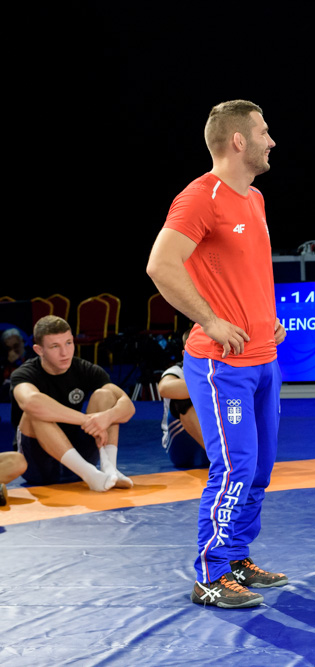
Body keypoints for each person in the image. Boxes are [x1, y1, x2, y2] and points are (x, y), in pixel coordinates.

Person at [147, 99, 288, 609]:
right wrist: (209, 320)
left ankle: (235, 558)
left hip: (263, 357)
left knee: (260, 469)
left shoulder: (254, 198)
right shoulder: (199, 197)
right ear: (238, 141)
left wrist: (265, 317)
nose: (272, 141)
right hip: (221, 363)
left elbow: (244, 272)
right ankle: (210, 574)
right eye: (264, 132)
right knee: (234, 467)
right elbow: (161, 265)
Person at [10, 316, 134, 491]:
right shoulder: (24, 374)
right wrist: (86, 420)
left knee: (105, 396)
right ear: (39, 350)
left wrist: (107, 417)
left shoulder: (85, 369)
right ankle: (90, 475)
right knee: (34, 411)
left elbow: (128, 406)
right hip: (38, 466)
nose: (65, 353)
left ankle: (110, 469)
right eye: (55, 346)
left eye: (68, 343)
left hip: (79, 457)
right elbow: (31, 402)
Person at [157, 331, 210, 469]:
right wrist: (214, 384)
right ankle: (222, 459)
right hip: (184, 447)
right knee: (182, 400)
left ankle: (237, 455)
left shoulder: (223, 368)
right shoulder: (177, 371)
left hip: (217, 436)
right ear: (185, 354)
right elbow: (164, 388)